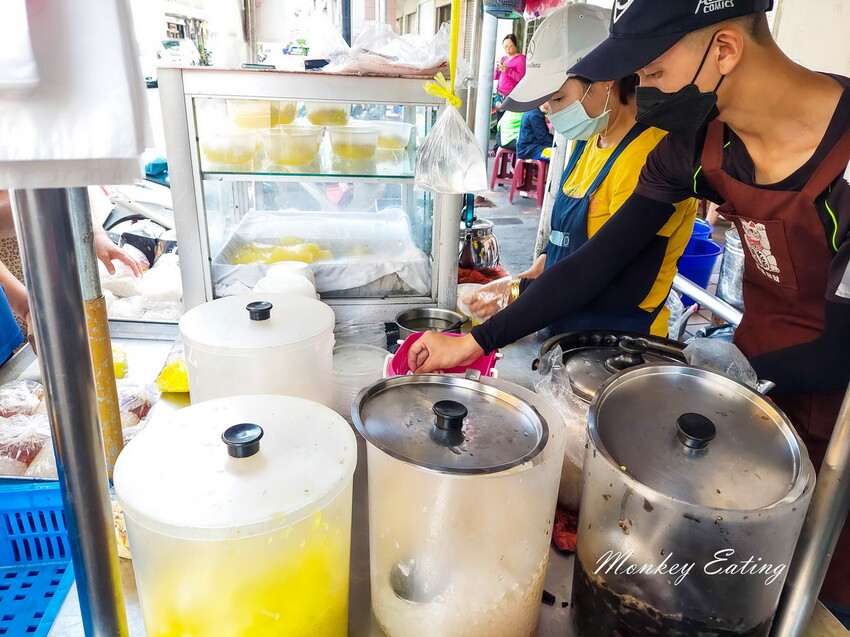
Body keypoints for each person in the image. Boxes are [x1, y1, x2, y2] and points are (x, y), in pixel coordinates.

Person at [411, 0, 850, 613]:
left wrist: (744, 373)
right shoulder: (699, 146)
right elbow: (598, 259)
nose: (642, 93)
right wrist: (479, 340)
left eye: (655, 74)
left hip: (837, 420)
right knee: (726, 586)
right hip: (751, 410)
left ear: (724, 50)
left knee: (821, 593)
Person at [490, 3, 700, 338]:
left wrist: (516, 297)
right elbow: (566, 243)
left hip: (618, 345)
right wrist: (527, 276)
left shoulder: (649, 156)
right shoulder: (589, 138)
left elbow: (605, 272)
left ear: (606, 80)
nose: (549, 110)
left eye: (557, 99)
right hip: (563, 326)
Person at [493, 34, 526, 108]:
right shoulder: (504, 58)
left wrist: (508, 70)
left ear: (515, 45)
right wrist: (498, 68)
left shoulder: (520, 59)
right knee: (499, 117)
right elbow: (495, 76)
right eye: (505, 46)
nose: (507, 49)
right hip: (500, 94)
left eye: (510, 46)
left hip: (511, 96)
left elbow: (521, 78)